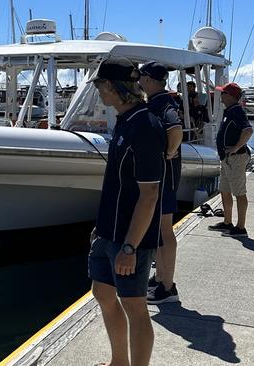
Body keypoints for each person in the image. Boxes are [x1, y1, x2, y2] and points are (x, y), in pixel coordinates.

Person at [89, 57, 166, 366]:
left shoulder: (145, 125)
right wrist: (101, 226)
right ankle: (118, 362)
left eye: (98, 86)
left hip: (130, 238)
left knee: (134, 305)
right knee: (103, 295)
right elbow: (116, 185)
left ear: (110, 86)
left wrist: (131, 246)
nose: (98, 93)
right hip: (108, 231)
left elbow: (149, 195)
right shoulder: (124, 120)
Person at [138, 62, 183, 305]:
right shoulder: (160, 101)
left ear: (148, 79)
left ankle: (168, 287)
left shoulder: (163, 103)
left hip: (164, 176)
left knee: (165, 229)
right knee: (159, 230)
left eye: (141, 77)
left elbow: (175, 129)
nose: (139, 81)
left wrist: (169, 152)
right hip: (163, 175)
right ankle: (160, 278)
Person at [208, 82, 254, 237]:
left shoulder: (237, 111)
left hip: (236, 158)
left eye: (223, 93)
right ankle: (227, 222)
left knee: (239, 193)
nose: (221, 96)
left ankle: (241, 228)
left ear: (230, 96)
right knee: (225, 190)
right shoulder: (230, 111)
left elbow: (248, 130)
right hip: (227, 159)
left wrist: (235, 148)